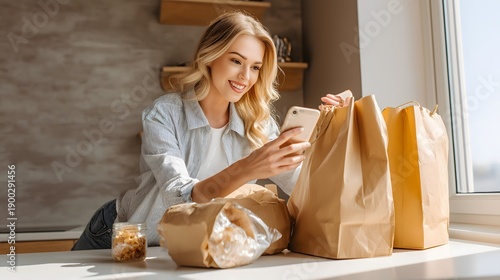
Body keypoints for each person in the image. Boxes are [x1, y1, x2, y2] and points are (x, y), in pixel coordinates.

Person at [72, 11, 346, 250]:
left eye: (255, 67)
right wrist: (249, 168)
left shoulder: (258, 123)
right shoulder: (165, 113)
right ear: (210, 56)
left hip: (189, 245)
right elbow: (179, 197)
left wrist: (337, 128)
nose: (245, 77)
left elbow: (302, 188)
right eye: (236, 61)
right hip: (124, 233)